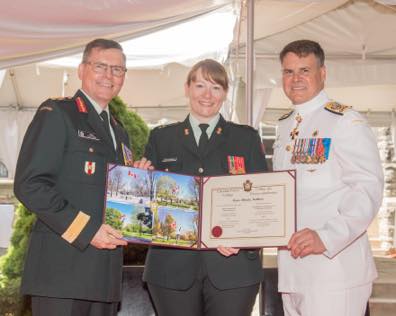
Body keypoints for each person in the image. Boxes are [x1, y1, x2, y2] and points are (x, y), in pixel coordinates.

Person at [14, 38, 149, 316]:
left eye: (117, 70)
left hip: (104, 277)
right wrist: (88, 231)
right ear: (81, 69)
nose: (109, 76)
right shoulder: (58, 113)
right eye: (100, 66)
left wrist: (138, 181)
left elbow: (110, 195)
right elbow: (30, 184)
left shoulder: (118, 131)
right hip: (62, 274)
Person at [142, 59, 267, 316]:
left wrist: (243, 238)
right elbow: (147, 205)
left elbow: (262, 202)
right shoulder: (161, 138)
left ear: (225, 93)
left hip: (233, 268)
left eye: (216, 88)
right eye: (200, 85)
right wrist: (139, 182)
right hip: (170, 268)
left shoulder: (246, 138)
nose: (207, 95)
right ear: (187, 88)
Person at [273, 39, 384, 316]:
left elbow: (367, 188)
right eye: (289, 72)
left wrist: (327, 236)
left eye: (304, 70)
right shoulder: (285, 125)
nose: (295, 79)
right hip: (292, 271)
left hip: (334, 269)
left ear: (322, 74)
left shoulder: (345, 121)